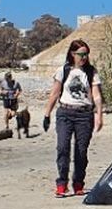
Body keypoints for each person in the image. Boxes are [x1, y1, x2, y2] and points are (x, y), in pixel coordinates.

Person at [43, 40, 104, 198]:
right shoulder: (63, 70)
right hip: (65, 113)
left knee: (81, 151)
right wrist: (47, 114)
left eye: (86, 54)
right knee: (63, 148)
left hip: (85, 115)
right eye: (80, 54)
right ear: (72, 54)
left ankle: (78, 183)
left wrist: (99, 115)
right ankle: (62, 184)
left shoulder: (91, 72)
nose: (83, 57)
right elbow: (54, 93)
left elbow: (96, 96)